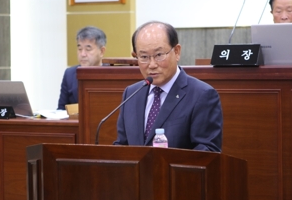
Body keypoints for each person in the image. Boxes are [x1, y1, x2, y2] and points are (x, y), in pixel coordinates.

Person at [113, 21, 223, 152]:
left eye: (159, 55)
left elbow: (207, 151)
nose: (152, 64)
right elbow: (122, 145)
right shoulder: (131, 93)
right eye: (144, 57)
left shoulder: (202, 95)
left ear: (176, 52)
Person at [57, 26, 106, 110]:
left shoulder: (112, 74)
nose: (83, 54)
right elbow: (61, 110)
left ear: (101, 51)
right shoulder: (69, 74)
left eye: (88, 49)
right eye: (80, 49)